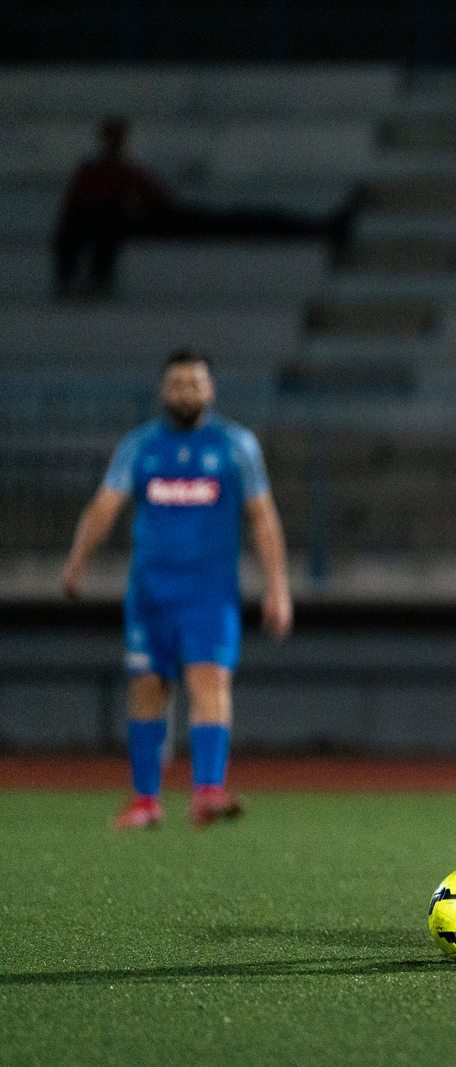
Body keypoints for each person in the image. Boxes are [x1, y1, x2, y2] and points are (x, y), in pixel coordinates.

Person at [61, 349, 293, 829]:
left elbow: (262, 517)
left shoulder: (236, 445)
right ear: (163, 392)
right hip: (149, 594)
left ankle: (207, 790)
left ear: (210, 390)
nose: (186, 391)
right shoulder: (140, 446)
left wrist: (278, 587)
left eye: (194, 383)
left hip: (210, 594)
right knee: (147, 688)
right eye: (177, 384)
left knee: (209, 681)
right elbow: (105, 505)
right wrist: (77, 561)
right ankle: (146, 801)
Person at [53, 116, 357, 298]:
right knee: (238, 223)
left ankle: (320, 227)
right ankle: (320, 228)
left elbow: (157, 199)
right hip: (159, 224)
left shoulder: (111, 174)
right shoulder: (101, 176)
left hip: (160, 221)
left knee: (239, 220)